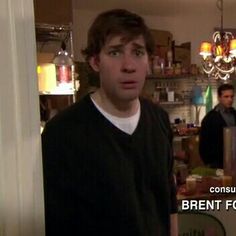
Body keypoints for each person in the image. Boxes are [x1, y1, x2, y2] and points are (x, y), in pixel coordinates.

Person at [42, 9, 178, 236]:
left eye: (138, 52)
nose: (129, 65)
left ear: (149, 62)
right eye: (115, 53)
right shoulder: (62, 133)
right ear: (95, 62)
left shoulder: (159, 120)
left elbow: (169, 203)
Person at [199, 83, 236, 168]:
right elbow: (203, 145)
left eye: (232, 96)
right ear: (219, 98)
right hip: (217, 164)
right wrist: (210, 163)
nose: (230, 99)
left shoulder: (234, 114)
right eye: (226, 97)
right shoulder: (210, 118)